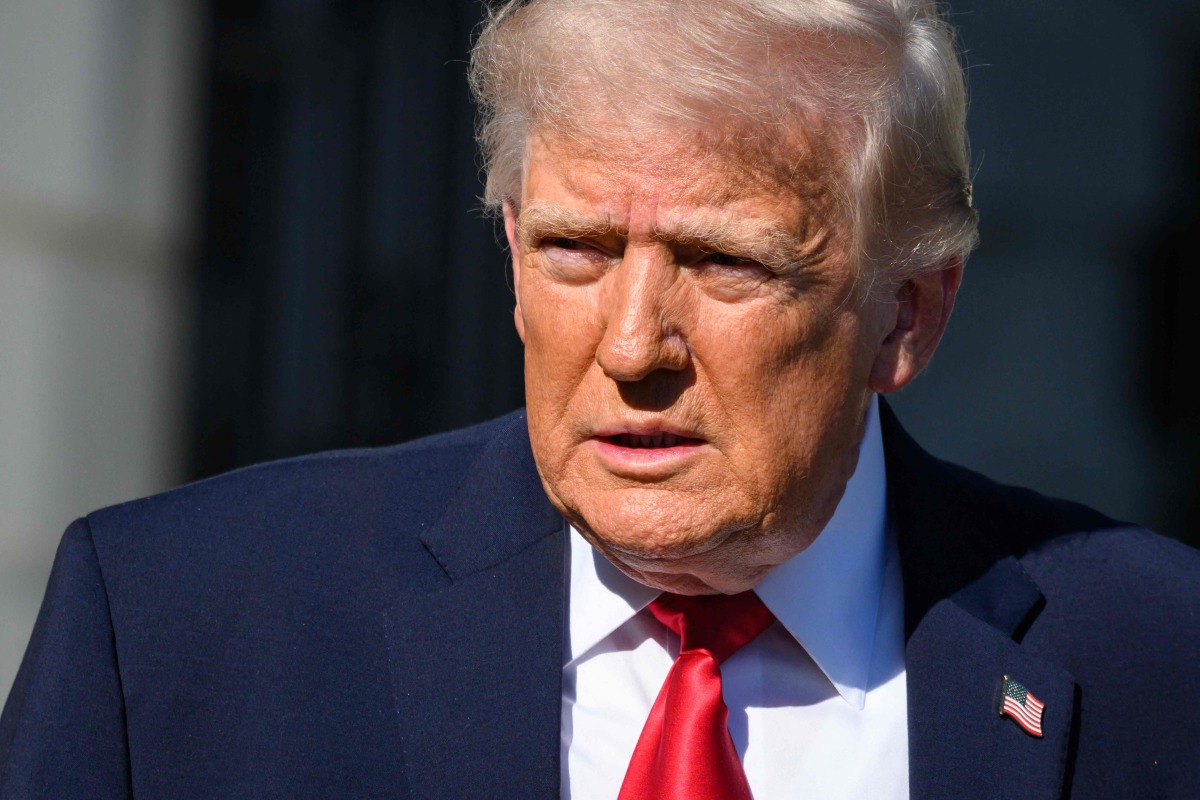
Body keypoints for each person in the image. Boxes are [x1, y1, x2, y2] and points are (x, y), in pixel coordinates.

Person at [2, 0, 1198, 797]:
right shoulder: (172, 630)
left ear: (910, 313)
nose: (632, 347)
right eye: (575, 247)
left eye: (726, 262)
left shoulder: (1159, 653)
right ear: (512, 249)